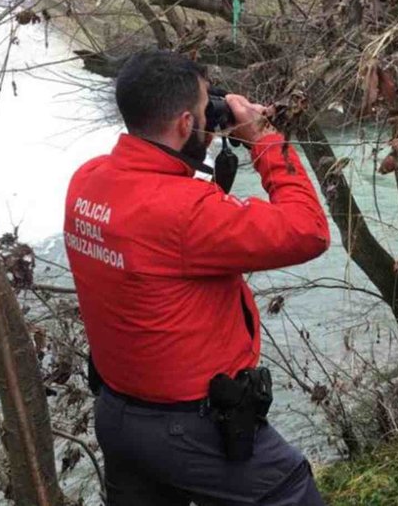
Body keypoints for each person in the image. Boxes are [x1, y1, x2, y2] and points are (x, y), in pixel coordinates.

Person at [63, 50, 330, 505]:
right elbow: (308, 232)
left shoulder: (87, 180)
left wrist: (204, 132)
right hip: (192, 430)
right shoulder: (184, 213)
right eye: (208, 109)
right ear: (186, 123)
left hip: (118, 418)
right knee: (290, 492)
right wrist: (262, 138)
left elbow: (165, 218)